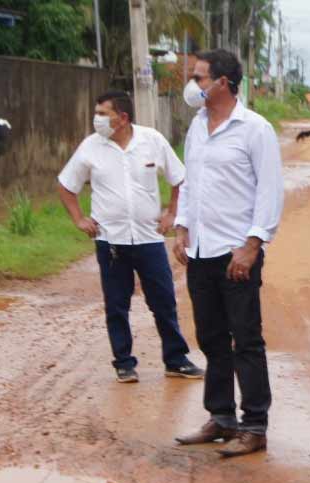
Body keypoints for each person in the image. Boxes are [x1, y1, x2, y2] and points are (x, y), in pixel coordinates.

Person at [171, 49, 284, 458]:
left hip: (235, 253)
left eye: (199, 78)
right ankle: (221, 417)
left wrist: (252, 246)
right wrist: (181, 228)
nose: (193, 85)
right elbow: (189, 183)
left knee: (246, 339)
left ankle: (254, 425)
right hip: (200, 250)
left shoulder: (255, 129)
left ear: (222, 83)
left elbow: (270, 192)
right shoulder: (196, 127)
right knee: (212, 338)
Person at [57, 90, 204, 384]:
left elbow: (179, 178)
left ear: (122, 118)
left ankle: (175, 359)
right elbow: (65, 185)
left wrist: (172, 213)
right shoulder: (90, 147)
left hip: (149, 237)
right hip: (111, 240)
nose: (97, 119)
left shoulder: (152, 141)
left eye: (103, 114)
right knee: (116, 303)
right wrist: (79, 219)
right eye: (96, 113)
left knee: (163, 301)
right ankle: (123, 363)